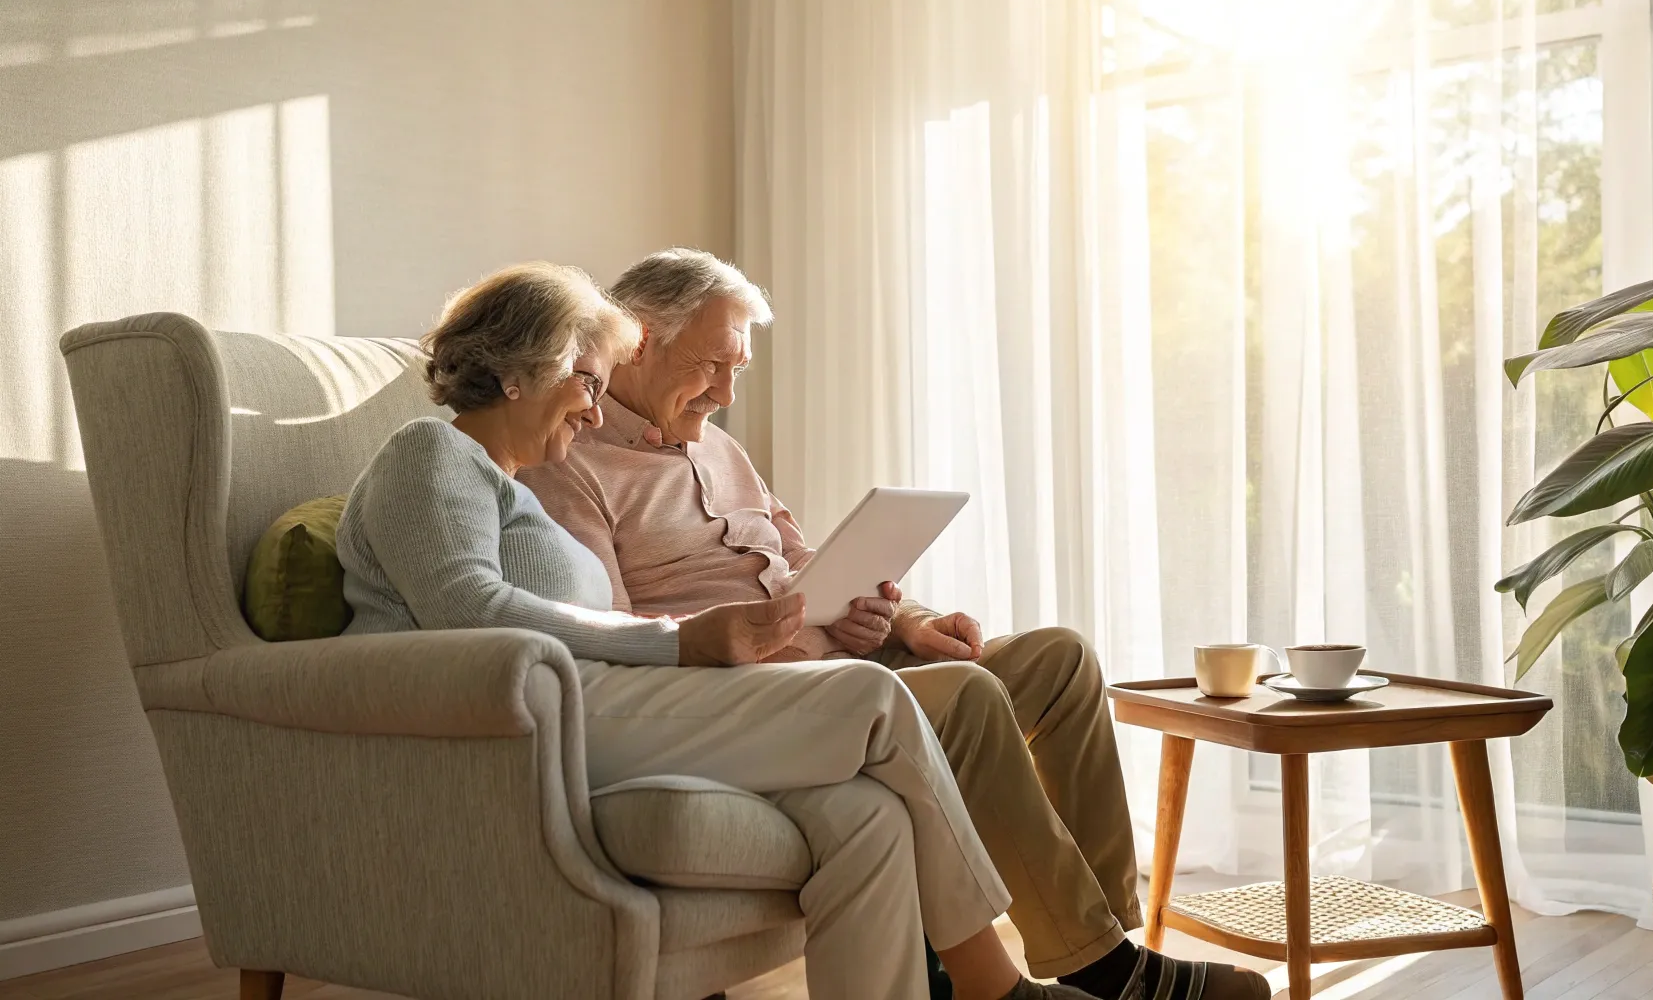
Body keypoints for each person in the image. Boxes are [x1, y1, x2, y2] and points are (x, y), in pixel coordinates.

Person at [518, 249, 1271, 1000]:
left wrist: (902, 618)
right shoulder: (567, 459)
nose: (725, 392)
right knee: (969, 696)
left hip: (851, 660)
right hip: (763, 694)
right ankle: (1101, 969)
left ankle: (1111, 939)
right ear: (641, 340)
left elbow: (805, 558)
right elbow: (611, 634)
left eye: (738, 370)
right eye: (713, 365)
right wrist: (787, 642)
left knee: (1061, 660)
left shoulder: (720, 447)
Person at [338, 262, 1088, 1000]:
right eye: (590, 383)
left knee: (869, 818)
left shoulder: (515, 493)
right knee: (871, 697)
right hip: (541, 722)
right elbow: (467, 606)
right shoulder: (429, 452)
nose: (598, 413)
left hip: (595, 703)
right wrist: (679, 641)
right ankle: (996, 986)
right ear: (518, 375)